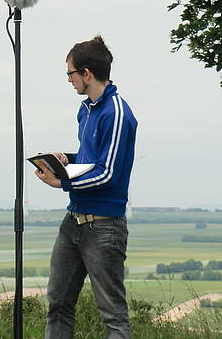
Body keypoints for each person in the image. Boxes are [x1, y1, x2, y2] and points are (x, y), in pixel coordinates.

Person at [34, 36, 137, 339]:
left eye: (70, 73)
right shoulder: (87, 110)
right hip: (73, 223)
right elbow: (93, 160)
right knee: (58, 303)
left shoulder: (116, 113)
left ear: (86, 73)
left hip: (103, 228)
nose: (68, 80)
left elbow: (108, 174)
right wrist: (67, 159)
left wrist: (62, 181)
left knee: (113, 316)